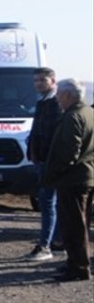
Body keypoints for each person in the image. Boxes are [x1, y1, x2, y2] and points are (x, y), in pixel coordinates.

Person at [43, 79, 93, 282]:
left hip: (73, 179)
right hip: (86, 176)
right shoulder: (89, 113)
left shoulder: (72, 116)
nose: (56, 99)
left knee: (74, 225)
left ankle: (79, 267)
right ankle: (74, 262)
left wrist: (53, 173)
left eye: (58, 95)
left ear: (67, 95)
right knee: (80, 223)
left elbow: (69, 151)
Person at [25, 67, 62, 261]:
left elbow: (52, 136)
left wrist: (44, 157)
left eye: (42, 80)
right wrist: (31, 149)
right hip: (41, 159)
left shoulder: (56, 103)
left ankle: (46, 245)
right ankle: (56, 241)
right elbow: (37, 131)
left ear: (53, 81)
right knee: (50, 203)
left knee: (48, 203)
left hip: (50, 162)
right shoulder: (42, 102)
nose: (38, 84)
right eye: (36, 80)